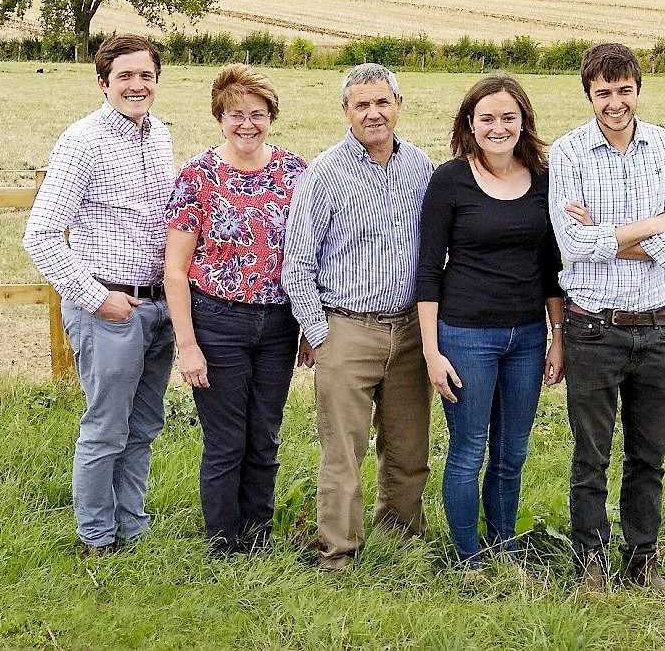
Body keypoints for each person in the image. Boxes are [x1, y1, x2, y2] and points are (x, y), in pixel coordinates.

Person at [547, 42, 665, 606]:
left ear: (638, 88)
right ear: (588, 94)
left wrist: (612, 234)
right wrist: (651, 225)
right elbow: (571, 245)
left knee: (648, 456)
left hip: (657, 328)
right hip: (593, 328)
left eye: (623, 90)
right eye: (603, 92)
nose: (615, 102)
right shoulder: (569, 152)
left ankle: (642, 560)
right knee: (591, 455)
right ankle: (589, 560)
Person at [23, 33, 176, 555]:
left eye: (146, 76)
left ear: (157, 81)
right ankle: (96, 537)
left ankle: (132, 528)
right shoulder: (82, 142)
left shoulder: (160, 137)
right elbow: (40, 235)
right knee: (107, 429)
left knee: (144, 426)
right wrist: (95, 298)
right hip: (110, 308)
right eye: (125, 76)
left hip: (158, 307)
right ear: (103, 83)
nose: (137, 85)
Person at [281, 62, 434, 571]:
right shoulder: (323, 174)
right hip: (346, 327)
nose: (373, 113)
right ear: (346, 111)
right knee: (343, 453)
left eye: (382, 102)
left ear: (398, 105)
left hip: (410, 329)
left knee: (409, 449)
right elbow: (297, 263)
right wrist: (321, 335)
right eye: (362, 104)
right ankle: (338, 552)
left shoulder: (421, 168)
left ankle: (402, 540)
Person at [415, 73, 566, 570]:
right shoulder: (450, 180)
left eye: (508, 117)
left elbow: (551, 267)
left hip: (526, 335)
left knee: (512, 451)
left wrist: (556, 336)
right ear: (470, 124)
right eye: (487, 118)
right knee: (468, 449)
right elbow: (428, 270)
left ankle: (504, 545)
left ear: (523, 122)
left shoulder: (543, 179)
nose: (498, 127)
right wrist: (432, 351)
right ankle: (467, 556)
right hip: (464, 335)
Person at [163, 64, 308, 556]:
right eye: (235, 115)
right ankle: (223, 542)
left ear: (272, 117)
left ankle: (259, 535)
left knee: (264, 437)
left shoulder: (296, 173)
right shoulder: (197, 175)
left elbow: (311, 255)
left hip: (278, 324)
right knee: (227, 440)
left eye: (257, 114)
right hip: (217, 320)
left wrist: (308, 326)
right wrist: (188, 345)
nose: (247, 124)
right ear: (219, 118)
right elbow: (176, 269)